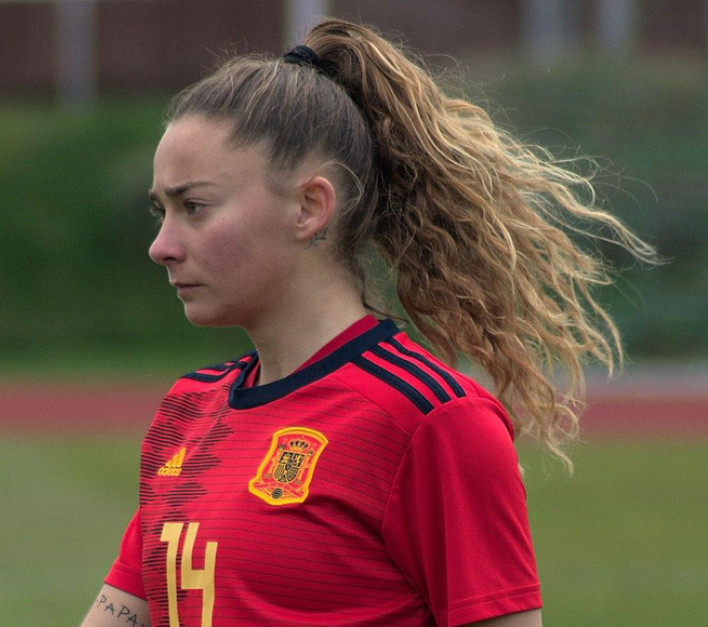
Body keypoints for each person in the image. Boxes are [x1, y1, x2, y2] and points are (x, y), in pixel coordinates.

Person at [80, 19, 655, 627]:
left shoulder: (430, 419)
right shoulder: (188, 412)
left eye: (193, 207)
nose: (161, 245)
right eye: (161, 210)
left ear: (308, 207)